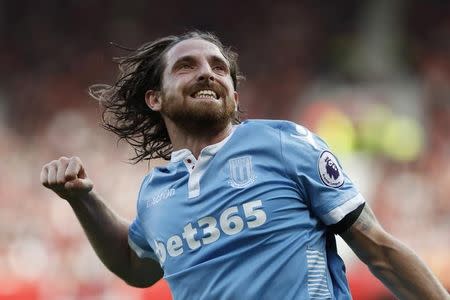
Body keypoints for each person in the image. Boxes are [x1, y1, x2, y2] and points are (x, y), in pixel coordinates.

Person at [40, 31, 449, 299]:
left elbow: (377, 247)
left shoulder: (285, 143)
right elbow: (136, 267)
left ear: (234, 97)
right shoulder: (156, 192)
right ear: (155, 98)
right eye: (187, 66)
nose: (207, 73)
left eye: (219, 68)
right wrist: (82, 200)